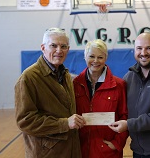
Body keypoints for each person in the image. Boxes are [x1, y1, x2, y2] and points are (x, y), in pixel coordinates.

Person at [14, 27, 85, 158]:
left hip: (70, 150)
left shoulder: (66, 75)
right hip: (46, 153)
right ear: (43, 47)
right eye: (53, 45)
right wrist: (64, 123)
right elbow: (25, 121)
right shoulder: (29, 77)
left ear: (68, 50)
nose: (59, 50)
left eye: (63, 46)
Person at [73, 39, 129, 158]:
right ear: (85, 57)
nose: (96, 61)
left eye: (100, 57)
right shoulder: (75, 84)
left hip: (108, 152)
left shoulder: (119, 85)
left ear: (106, 58)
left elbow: (125, 116)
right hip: (81, 150)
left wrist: (116, 144)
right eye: (92, 56)